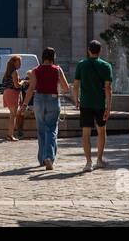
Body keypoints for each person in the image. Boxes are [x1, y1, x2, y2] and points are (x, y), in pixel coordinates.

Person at [23, 47, 73, 170]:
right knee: (51, 129)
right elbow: (66, 88)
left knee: (41, 130)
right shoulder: (57, 70)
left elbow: (31, 89)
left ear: (43, 56)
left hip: (39, 100)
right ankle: (49, 157)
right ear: (53, 57)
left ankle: (41, 159)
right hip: (53, 100)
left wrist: (24, 104)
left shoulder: (36, 70)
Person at [74, 40, 114, 171]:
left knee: (86, 133)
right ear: (100, 51)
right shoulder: (106, 66)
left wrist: (76, 99)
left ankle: (88, 162)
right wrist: (108, 107)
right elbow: (108, 88)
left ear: (88, 50)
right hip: (99, 104)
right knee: (101, 131)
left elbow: (75, 85)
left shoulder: (81, 65)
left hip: (85, 103)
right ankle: (99, 160)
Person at [1, 55, 25, 141]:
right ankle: (10, 135)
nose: (20, 64)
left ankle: (10, 134)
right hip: (13, 93)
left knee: (12, 114)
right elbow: (17, 85)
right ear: (14, 63)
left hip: (7, 93)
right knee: (13, 115)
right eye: (19, 62)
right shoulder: (14, 72)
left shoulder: (8, 72)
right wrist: (23, 82)